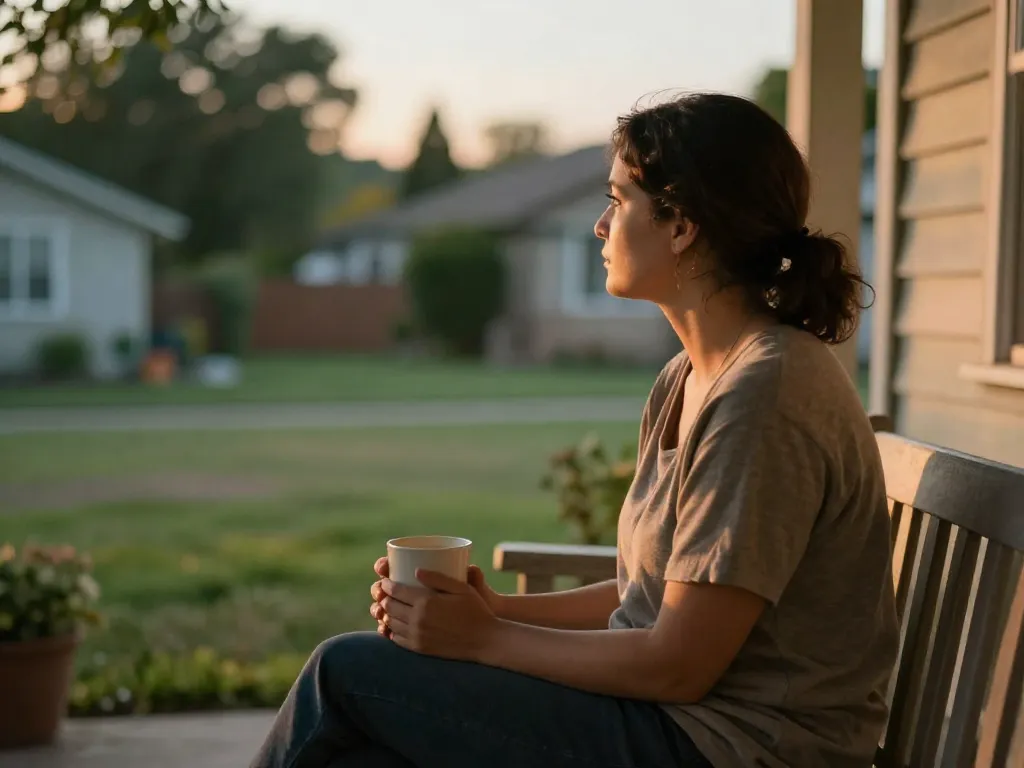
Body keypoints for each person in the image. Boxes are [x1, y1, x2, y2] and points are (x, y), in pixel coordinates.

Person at [250, 92, 900, 768]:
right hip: (680, 723)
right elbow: (645, 596)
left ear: (681, 224)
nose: (600, 226)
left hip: (737, 746)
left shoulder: (764, 393)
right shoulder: (693, 376)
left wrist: (481, 641)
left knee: (345, 671)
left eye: (619, 201)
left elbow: (677, 666)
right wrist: (495, 612)